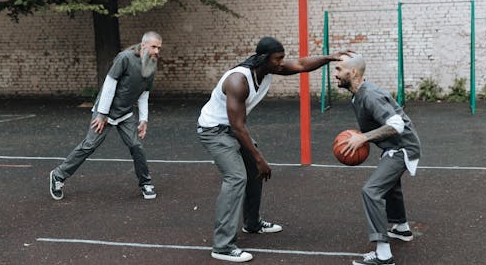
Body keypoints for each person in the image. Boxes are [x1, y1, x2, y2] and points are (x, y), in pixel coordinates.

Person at [197, 36, 342, 263]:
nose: (281, 63)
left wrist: (329, 58)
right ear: (264, 58)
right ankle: (223, 246)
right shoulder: (238, 81)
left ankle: (252, 224)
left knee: (253, 172)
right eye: (278, 59)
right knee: (236, 178)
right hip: (214, 131)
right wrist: (259, 158)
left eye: (282, 58)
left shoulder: (267, 70)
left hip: (232, 129)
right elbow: (237, 126)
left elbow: (302, 65)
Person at [49, 31, 162, 201]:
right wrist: (102, 114)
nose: (157, 51)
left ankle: (145, 183)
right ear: (144, 44)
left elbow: (144, 94)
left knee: (136, 146)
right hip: (105, 111)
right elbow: (110, 83)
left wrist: (144, 119)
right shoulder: (125, 58)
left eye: (159, 48)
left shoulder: (151, 65)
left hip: (125, 114)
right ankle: (58, 176)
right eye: (154, 47)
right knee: (89, 145)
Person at [334, 52, 421, 265]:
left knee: (371, 191)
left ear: (353, 72)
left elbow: (396, 125)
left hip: (402, 148)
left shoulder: (370, 95)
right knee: (390, 186)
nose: (335, 74)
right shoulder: (358, 94)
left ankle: (384, 257)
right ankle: (401, 228)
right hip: (396, 147)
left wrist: (363, 138)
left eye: (339, 69)